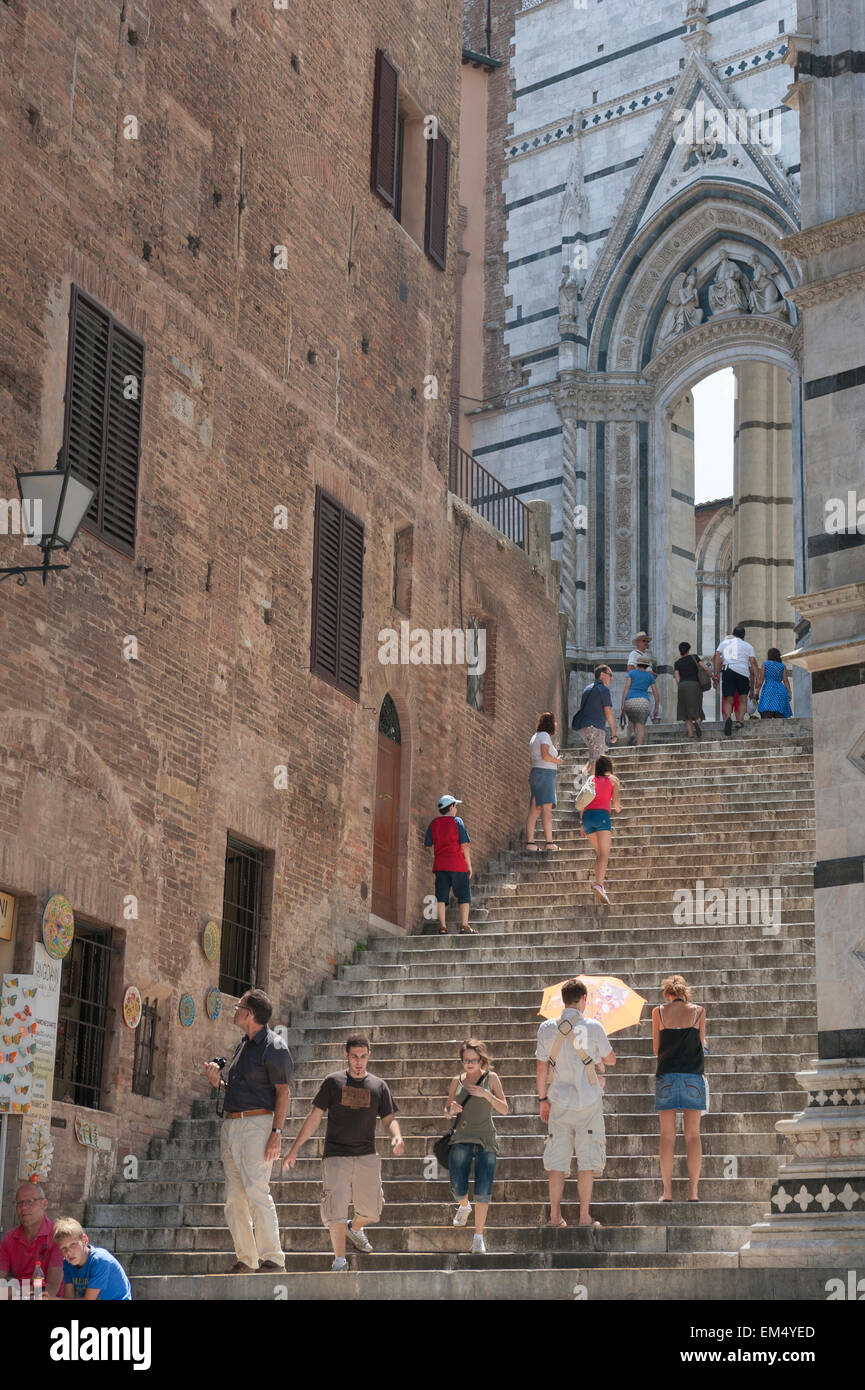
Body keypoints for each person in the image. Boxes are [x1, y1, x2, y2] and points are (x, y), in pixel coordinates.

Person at [283, 1034, 403, 1271]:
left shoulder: (379, 1086)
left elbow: (389, 1118)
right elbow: (314, 1117)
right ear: (346, 1056)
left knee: (373, 1211)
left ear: (369, 1056)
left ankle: (355, 1227)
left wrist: (396, 1136)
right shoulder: (333, 1082)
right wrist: (294, 1149)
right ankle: (340, 1260)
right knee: (335, 1210)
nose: (359, 1062)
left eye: (363, 1057)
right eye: (354, 1057)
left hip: (366, 1155)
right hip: (336, 1155)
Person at [203, 987, 293, 1273]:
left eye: (238, 1006)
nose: (235, 1010)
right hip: (232, 1124)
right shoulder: (243, 1045)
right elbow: (239, 1090)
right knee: (234, 1198)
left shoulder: (274, 1046)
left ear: (250, 1013)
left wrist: (276, 1134)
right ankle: (247, 1258)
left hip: (258, 1124)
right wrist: (217, 1082)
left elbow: (283, 1092)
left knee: (257, 1191)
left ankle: (274, 1258)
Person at [536, 977, 616, 1229]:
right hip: (588, 1102)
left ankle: (554, 1216)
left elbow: (540, 1068)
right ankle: (584, 1216)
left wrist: (542, 1099)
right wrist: (598, 1060)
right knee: (587, 1160)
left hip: (558, 1101)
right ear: (584, 999)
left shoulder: (547, 1028)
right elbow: (611, 1059)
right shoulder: (594, 1026)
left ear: (562, 1000)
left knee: (557, 1163)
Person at [443, 1039, 508, 1255]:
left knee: (483, 1188)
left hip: (486, 1138)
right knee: (457, 1185)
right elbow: (447, 1111)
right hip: (461, 1136)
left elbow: (505, 1109)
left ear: (481, 1059)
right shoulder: (456, 1081)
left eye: (473, 1060)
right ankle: (463, 1205)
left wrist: (487, 1095)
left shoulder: (492, 1078)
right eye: (465, 1060)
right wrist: (450, 1108)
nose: (469, 1064)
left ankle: (478, 1237)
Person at [652, 975, 707, 1203]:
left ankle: (667, 1192)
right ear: (685, 993)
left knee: (667, 1136)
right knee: (693, 1136)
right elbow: (702, 1046)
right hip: (692, 1076)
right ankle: (693, 1192)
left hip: (666, 1076)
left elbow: (656, 1049)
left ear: (668, 994)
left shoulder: (658, 1013)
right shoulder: (699, 1012)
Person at [0, 1181, 64, 1298]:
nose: (24, 1207)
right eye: (20, 1203)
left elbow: (52, 1287)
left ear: (44, 1204)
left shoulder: (57, 1235)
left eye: (30, 1202)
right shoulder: (9, 1238)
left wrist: (14, 1292)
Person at [424, 794, 476, 934]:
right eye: (456, 806)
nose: (456, 809)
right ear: (451, 806)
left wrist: (437, 857)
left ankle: (443, 927)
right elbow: (464, 844)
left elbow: (428, 845)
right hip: (457, 864)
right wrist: (469, 865)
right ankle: (464, 925)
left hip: (440, 865)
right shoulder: (457, 821)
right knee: (464, 895)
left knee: (441, 896)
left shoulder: (433, 824)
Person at [51, 1218, 131, 1300]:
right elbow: (68, 1297)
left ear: (84, 1240)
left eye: (73, 1244)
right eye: (63, 1248)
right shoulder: (68, 1263)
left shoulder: (100, 1260)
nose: (68, 1252)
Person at [580, 754, 621, 905]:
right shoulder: (613, 780)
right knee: (604, 854)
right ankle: (599, 884)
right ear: (609, 767)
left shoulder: (591, 779)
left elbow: (584, 799)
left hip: (587, 817)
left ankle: (599, 884)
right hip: (601, 816)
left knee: (599, 853)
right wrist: (617, 807)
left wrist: (581, 823)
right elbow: (616, 803)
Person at [526, 711, 564, 851]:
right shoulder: (544, 736)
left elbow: (535, 758)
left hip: (536, 773)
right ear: (551, 724)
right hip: (545, 774)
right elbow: (545, 755)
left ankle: (530, 843)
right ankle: (549, 843)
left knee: (534, 809)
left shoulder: (534, 737)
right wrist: (557, 761)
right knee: (546, 810)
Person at [712, 625, 758, 736]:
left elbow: (716, 656)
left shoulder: (724, 643)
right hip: (743, 673)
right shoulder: (748, 646)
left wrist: (716, 673)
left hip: (728, 670)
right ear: (744, 636)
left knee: (728, 699)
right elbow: (752, 661)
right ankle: (739, 721)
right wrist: (758, 676)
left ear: (733, 634)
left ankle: (728, 718)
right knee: (742, 699)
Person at [571, 664, 618, 771]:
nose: (611, 677)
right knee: (598, 759)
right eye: (610, 675)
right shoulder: (603, 690)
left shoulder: (587, 689)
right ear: (602, 675)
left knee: (594, 756)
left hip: (584, 727)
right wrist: (614, 733)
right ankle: (592, 785)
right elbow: (608, 712)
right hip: (594, 728)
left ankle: (582, 776)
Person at [674, 640, 711, 739]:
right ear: (688, 650)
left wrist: (681, 687)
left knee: (685, 710)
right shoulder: (694, 657)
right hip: (695, 685)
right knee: (697, 706)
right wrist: (712, 676)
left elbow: (677, 679)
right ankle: (698, 722)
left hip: (682, 686)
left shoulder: (677, 663)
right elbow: (705, 668)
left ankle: (690, 733)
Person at [620, 660, 659, 745]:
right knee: (640, 725)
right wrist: (656, 708)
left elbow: (626, 688)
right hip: (643, 701)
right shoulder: (650, 676)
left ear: (637, 664)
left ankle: (633, 732)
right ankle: (639, 746)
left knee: (631, 718)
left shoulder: (631, 673)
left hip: (630, 700)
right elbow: (656, 693)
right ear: (646, 666)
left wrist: (623, 703)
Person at [757, 647, 793, 718]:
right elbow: (785, 680)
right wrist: (789, 692)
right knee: (779, 713)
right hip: (780, 689)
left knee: (767, 711)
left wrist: (757, 691)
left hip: (768, 689)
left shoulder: (765, 664)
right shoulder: (782, 666)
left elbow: (761, 679)